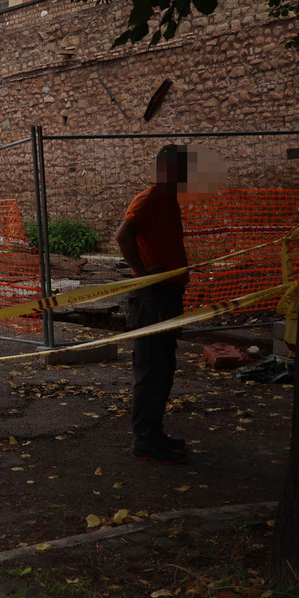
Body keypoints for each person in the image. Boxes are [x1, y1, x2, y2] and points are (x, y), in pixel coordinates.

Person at [115, 144, 191, 464]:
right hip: (152, 299)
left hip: (166, 297)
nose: (186, 175)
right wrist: (143, 274)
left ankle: (154, 433)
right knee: (151, 370)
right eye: (181, 168)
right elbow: (123, 236)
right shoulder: (148, 200)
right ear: (166, 170)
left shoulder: (169, 202)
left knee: (163, 369)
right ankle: (145, 441)